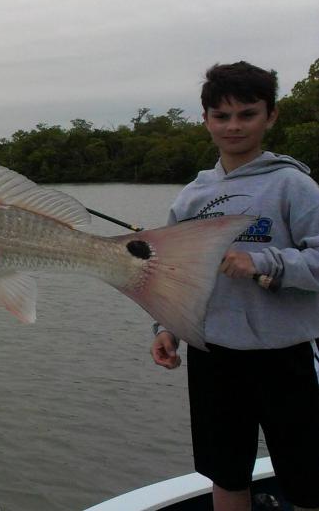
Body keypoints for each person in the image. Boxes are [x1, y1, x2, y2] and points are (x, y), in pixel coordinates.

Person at [150, 61, 319, 511]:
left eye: (247, 113)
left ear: (271, 116)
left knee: (307, 474)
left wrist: (263, 261)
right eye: (222, 116)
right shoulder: (190, 197)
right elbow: (171, 273)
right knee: (225, 472)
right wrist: (165, 327)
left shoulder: (294, 185)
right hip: (214, 356)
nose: (234, 125)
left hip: (287, 355)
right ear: (205, 120)